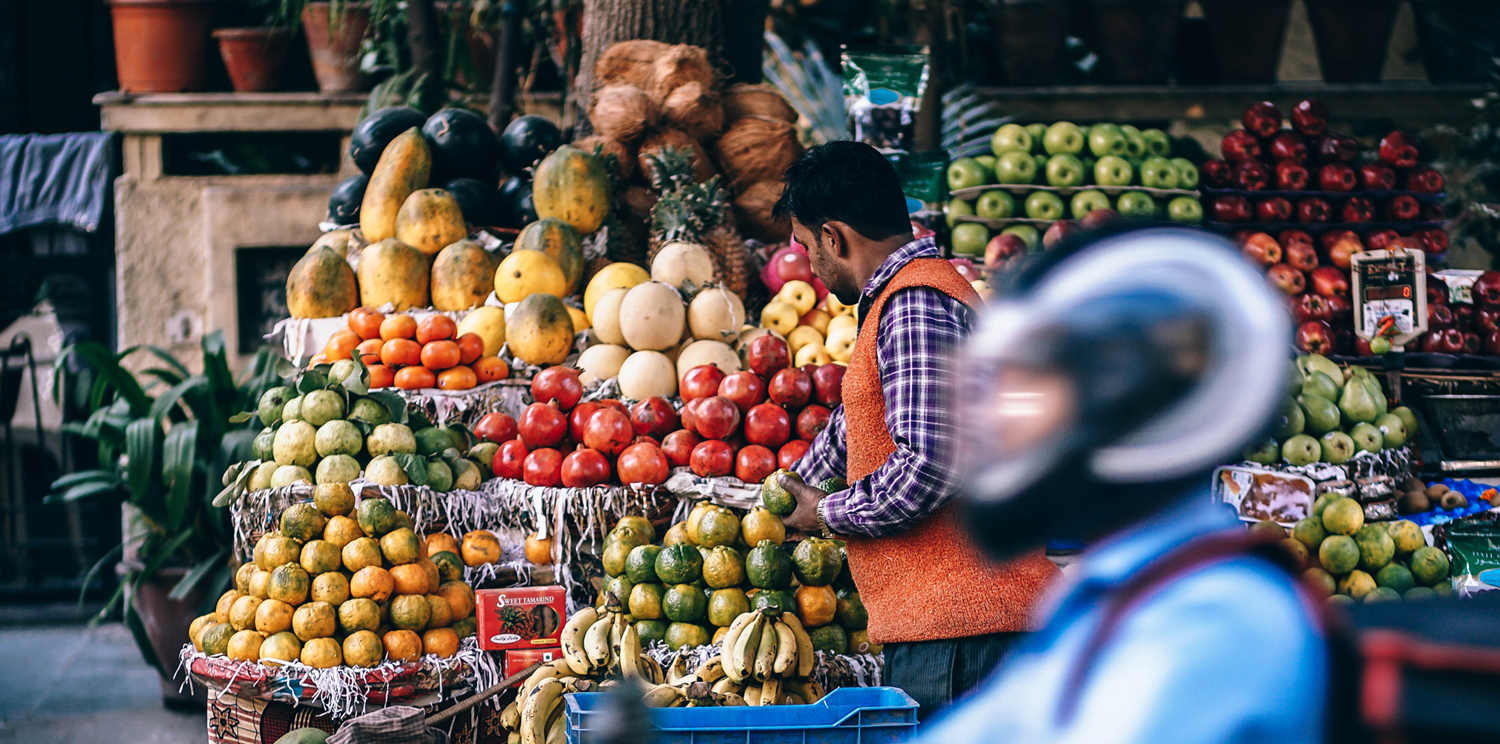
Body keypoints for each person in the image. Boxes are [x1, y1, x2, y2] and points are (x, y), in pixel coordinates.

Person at [918, 225, 1326, 744]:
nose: (995, 416)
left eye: (1028, 384)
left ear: (1120, 400)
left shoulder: (1212, 621)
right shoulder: (1116, 595)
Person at [770, 141, 1059, 718]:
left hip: (964, 632)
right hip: (953, 628)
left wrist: (823, 513)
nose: (812, 268)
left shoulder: (914, 304)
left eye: (806, 248)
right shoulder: (903, 301)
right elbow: (860, 420)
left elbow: (931, 461)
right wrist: (785, 493)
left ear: (834, 237)